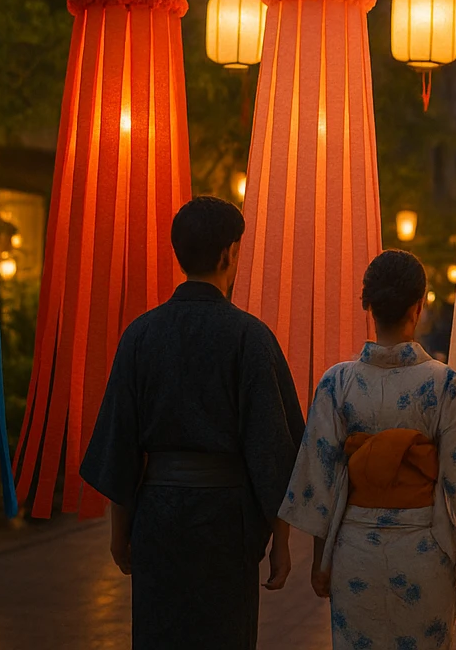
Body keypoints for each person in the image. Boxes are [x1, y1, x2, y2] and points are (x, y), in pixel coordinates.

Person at [80, 195, 306, 649]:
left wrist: (120, 533)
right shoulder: (250, 337)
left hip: (158, 518)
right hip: (227, 522)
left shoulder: (140, 335)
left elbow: (122, 447)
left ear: (177, 251)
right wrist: (281, 541)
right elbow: (273, 451)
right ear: (230, 253)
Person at [281, 249, 456, 650]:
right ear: (418, 307)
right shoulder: (444, 385)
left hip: (355, 553)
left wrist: (323, 559)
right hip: (424, 551)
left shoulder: (338, 383)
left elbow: (320, 479)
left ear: (367, 305)